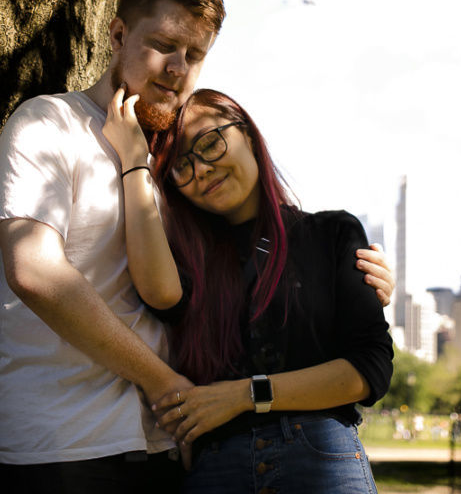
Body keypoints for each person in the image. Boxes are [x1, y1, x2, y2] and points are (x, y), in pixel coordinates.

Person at [0, 0, 394, 493]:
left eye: (195, 55)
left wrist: (356, 277)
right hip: (64, 444)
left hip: (166, 449)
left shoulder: (168, 169)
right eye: (163, 44)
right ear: (118, 34)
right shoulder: (48, 123)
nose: (178, 67)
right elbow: (35, 272)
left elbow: (213, 280)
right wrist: (167, 384)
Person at [102, 87, 394, 493]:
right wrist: (135, 162)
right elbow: (157, 293)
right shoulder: (187, 263)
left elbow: (370, 369)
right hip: (217, 467)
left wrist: (244, 395)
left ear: (249, 135)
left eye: (209, 143)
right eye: (181, 166)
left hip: (318, 459)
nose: (200, 169)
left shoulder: (331, 233)